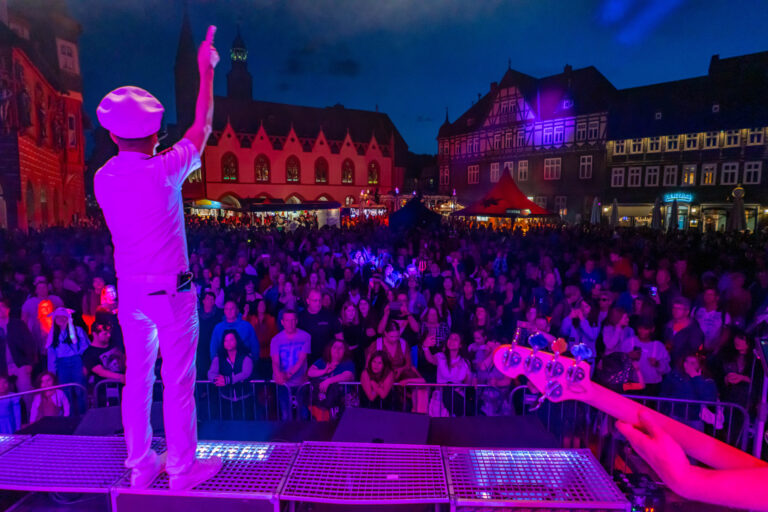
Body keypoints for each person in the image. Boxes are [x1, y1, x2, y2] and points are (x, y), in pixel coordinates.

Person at [93, 26, 222, 489]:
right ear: (154, 134)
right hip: (171, 291)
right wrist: (205, 72)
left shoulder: (103, 178)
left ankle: (141, 463)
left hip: (130, 293)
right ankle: (183, 469)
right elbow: (202, 128)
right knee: (178, 382)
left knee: (137, 380)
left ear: (110, 134)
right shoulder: (165, 170)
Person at [270, 310, 312, 420]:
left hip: (300, 382)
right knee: (285, 414)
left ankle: (303, 437)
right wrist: (278, 375)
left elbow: (301, 360)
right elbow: (275, 361)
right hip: (283, 384)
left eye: (293, 320)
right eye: (287, 321)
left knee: (303, 414)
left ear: (297, 321)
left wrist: (288, 375)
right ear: (283, 322)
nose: (290, 323)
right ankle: (287, 437)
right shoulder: (275, 339)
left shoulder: (305, 336)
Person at [422, 332, 474, 416]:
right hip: (440, 399)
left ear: (460, 345)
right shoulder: (440, 357)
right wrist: (425, 347)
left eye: (455, 339)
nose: (452, 341)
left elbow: (467, 382)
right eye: (450, 338)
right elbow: (430, 359)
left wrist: (473, 379)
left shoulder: (465, 362)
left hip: (456, 399)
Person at [207, 330, 255, 420]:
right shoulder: (219, 358)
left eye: (231, 340)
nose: (228, 343)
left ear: (237, 340)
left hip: (245, 399)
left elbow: (246, 373)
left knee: (246, 426)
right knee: (227, 427)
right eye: (226, 340)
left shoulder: (246, 356)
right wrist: (217, 380)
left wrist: (227, 380)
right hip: (226, 399)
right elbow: (210, 373)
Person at [307, 339, 355, 420]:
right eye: (335, 347)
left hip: (342, 402)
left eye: (341, 348)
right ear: (330, 349)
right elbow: (310, 372)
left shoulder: (348, 363)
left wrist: (328, 381)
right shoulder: (323, 361)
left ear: (345, 351)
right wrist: (324, 371)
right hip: (322, 402)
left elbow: (347, 375)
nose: (337, 350)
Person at [0, 298, 36, 398]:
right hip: (2, 369)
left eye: (2, 307)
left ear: (8, 309)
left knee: (27, 394)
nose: (0, 310)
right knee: (7, 398)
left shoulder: (18, 324)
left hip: (20, 364)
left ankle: (31, 413)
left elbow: (29, 344)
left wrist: (29, 363)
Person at [209, 301, 258, 367]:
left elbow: (255, 346)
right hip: (224, 366)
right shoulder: (218, 327)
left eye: (232, 308)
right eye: (227, 309)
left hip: (245, 365)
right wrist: (215, 364)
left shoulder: (247, 326)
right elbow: (213, 347)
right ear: (224, 311)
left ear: (237, 310)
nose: (229, 311)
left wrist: (253, 362)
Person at [299, 289, 341, 362]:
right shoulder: (301, 317)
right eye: (315, 301)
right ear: (308, 301)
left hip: (328, 358)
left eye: (319, 300)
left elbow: (339, 337)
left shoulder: (329, 315)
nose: (318, 303)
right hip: (308, 359)